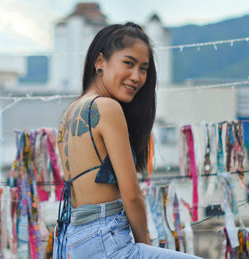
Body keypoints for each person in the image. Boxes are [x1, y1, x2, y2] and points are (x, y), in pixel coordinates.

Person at [53, 23, 203, 259]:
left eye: (143, 68)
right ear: (100, 61)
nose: (137, 77)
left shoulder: (69, 113)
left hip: (75, 239)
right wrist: (145, 245)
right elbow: (131, 194)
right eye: (128, 63)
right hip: (106, 239)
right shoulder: (107, 107)